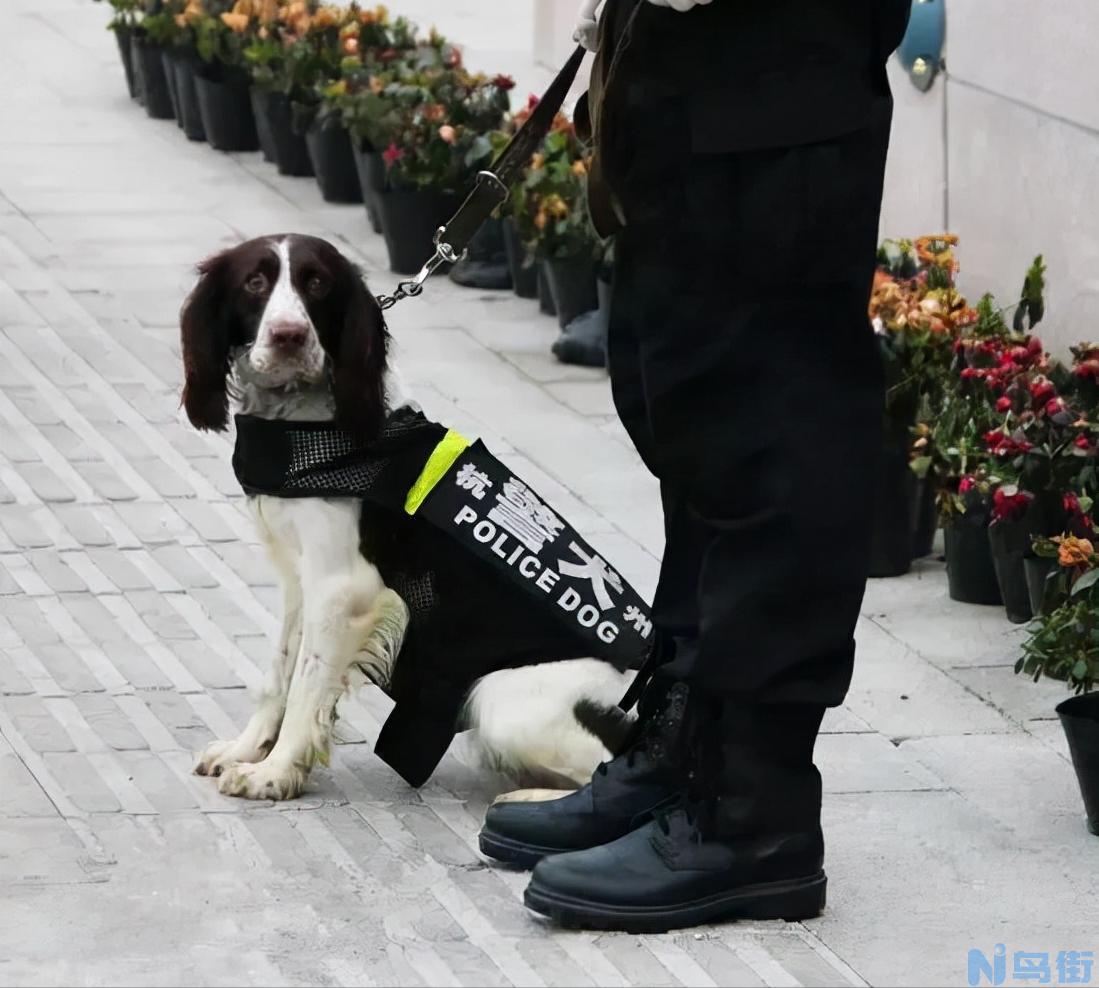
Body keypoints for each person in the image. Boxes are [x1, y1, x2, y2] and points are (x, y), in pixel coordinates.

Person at [478, 0, 913, 932]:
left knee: (770, 430)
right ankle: (680, 757)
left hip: (778, 74)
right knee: (691, 411)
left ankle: (753, 817)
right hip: (686, 60)